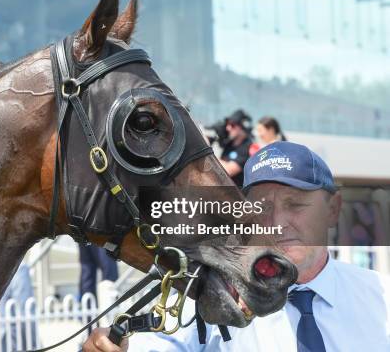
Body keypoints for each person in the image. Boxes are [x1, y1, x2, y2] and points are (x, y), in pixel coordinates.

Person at [83, 141, 390, 352]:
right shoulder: (212, 297)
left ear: (333, 210)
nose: (277, 222)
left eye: (295, 205)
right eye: (261, 207)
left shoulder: (382, 297)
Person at [218, 109, 254, 187]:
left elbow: (228, 171)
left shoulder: (248, 147)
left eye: (232, 125)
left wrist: (209, 153)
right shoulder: (229, 143)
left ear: (242, 128)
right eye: (228, 124)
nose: (228, 128)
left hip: (236, 195)